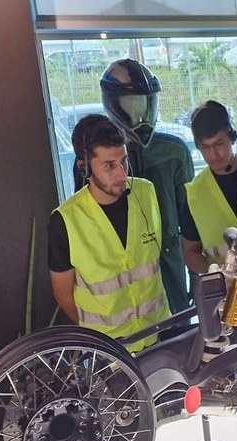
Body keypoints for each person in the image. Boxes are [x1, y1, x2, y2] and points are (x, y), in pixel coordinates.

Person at [49, 114, 169, 352]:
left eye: (123, 161)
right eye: (109, 166)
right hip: (109, 351)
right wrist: (99, 330)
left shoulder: (146, 193)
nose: (121, 174)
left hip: (159, 334)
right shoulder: (65, 220)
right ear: (84, 167)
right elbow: (63, 294)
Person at [97, 58, 195, 314]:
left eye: (146, 104)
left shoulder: (173, 152)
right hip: (123, 297)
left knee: (181, 343)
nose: (141, 115)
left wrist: (198, 281)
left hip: (172, 278)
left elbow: (191, 221)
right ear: (112, 104)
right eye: (131, 105)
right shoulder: (95, 160)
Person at [180, 100, 237, 272]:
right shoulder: (194, 195)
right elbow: (190, 252)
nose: (213, 154)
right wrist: (216, 272)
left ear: (232, 138)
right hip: (228, 294)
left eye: (219, 144)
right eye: (205, 147)